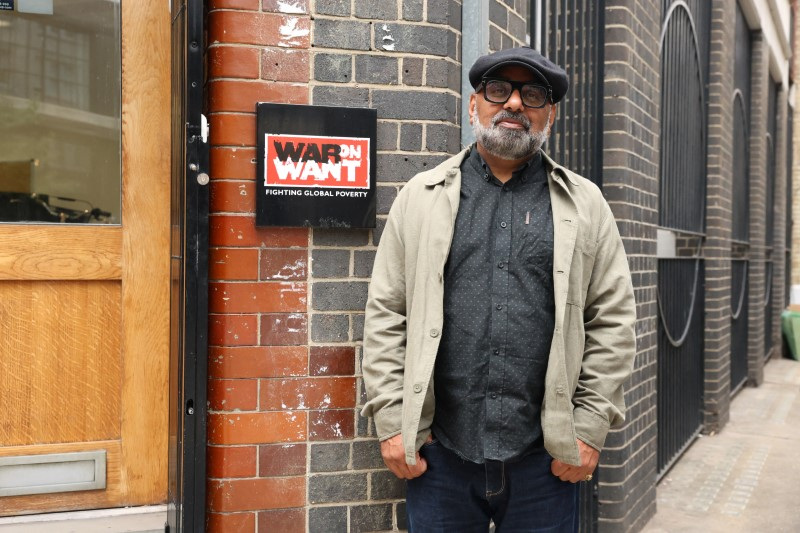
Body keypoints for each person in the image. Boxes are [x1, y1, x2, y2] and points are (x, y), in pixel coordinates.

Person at [361, 46, 636, 532]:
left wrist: (590, 430)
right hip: (441, 454)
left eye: (531, 94)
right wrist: (391, 422)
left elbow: (612, 320)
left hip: (543, 460)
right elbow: (387, 313)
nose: (513, 104)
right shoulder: (421, 199)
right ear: (474, 105)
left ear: (548, 114)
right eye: (498, 90)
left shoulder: (585, 204)